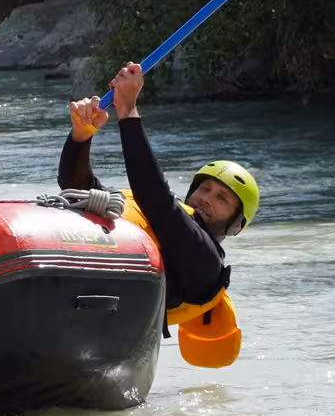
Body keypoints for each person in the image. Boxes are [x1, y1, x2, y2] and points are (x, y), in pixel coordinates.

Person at [57, 61, 261, 366]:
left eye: (222, 199)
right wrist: (81, 137)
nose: (207, 198)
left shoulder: (206, 263)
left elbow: (157, 200)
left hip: (96, 324)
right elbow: (77, 188)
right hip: (70, 291)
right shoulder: (156, 217)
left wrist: (128, 111)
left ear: (235, 225)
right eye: (204, 188)